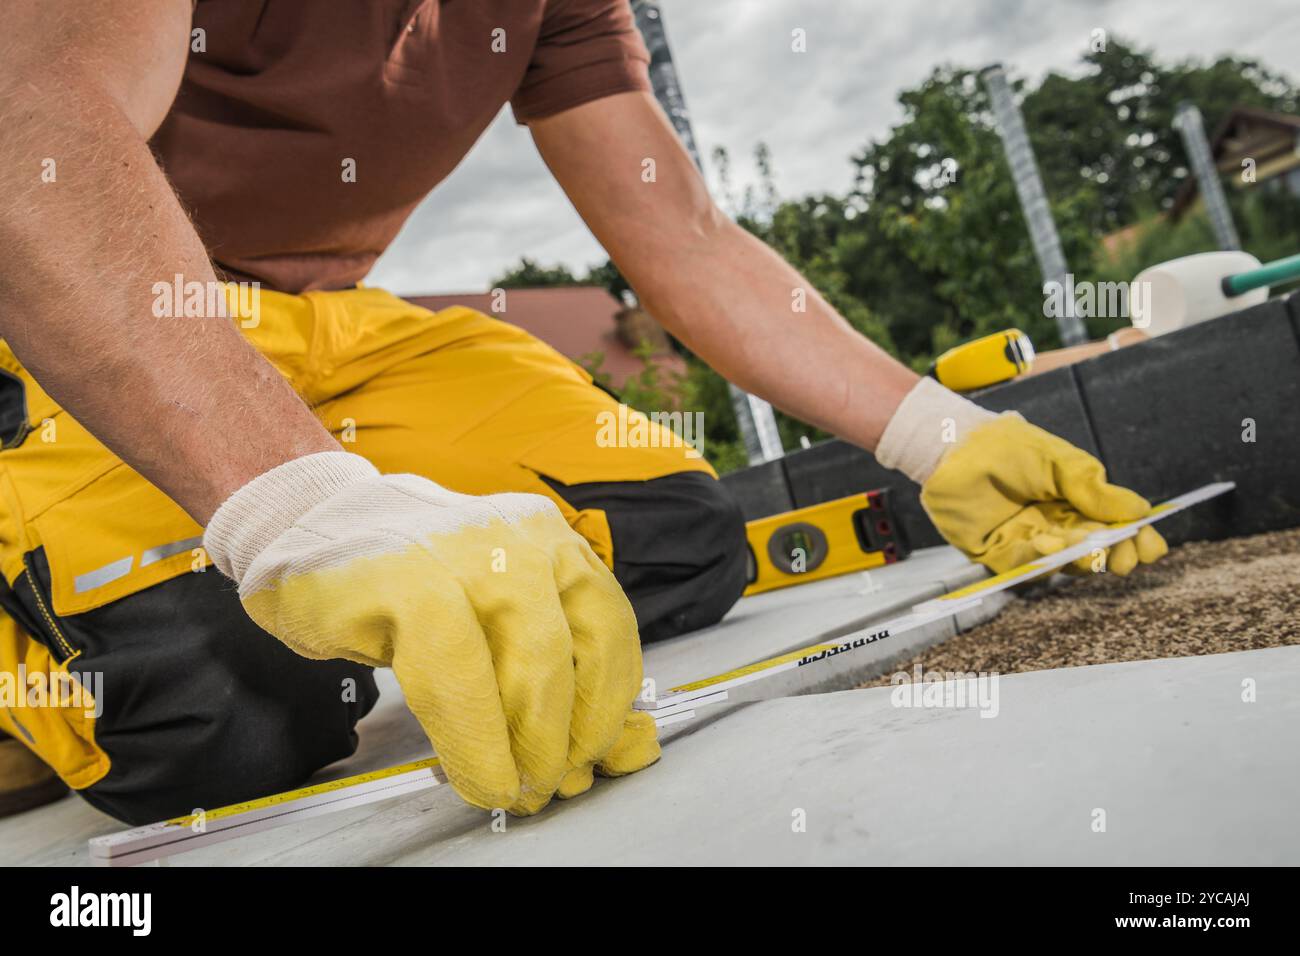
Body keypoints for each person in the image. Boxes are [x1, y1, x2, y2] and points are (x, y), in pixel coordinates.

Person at [0, 1, 1166, 825]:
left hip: (333, 330)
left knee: (670, 537)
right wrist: (304, 507)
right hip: (77, 321)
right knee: (221, 718)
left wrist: (934, 433)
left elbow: (688, 240)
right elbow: (34, 121)